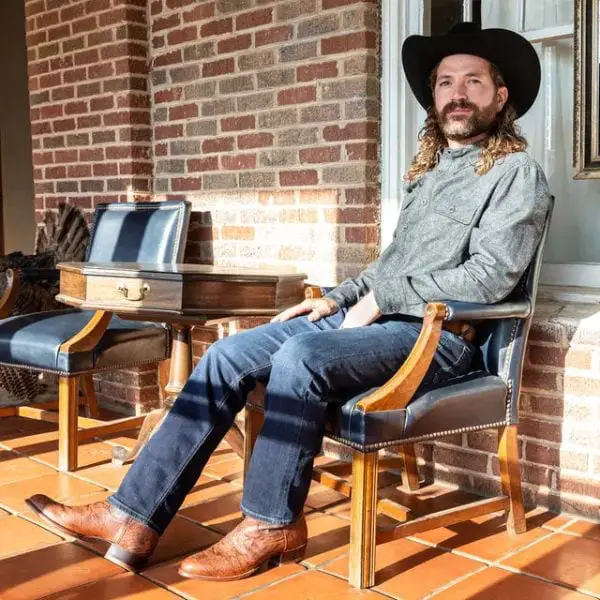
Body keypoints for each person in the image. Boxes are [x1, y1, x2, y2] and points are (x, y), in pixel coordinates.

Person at [26, 22, 551, 581]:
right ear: (434, 97)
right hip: (376, 324)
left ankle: (271, 522)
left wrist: (382, 300)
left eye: (473, 81)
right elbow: (386, 269)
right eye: (446, 81)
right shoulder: (427, 177)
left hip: (440, 339)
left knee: (301, 356)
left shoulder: (517, 174)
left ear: (500, 97)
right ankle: (129, 516)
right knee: (228, 355)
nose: (457, 93)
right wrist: (335, 301)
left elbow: (492, 278)